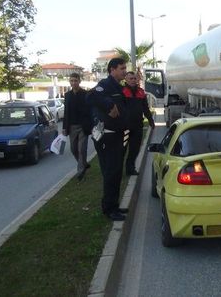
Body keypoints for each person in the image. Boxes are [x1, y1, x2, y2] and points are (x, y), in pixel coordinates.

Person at [86, 58, 129, 221]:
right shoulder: (105, 84)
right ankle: (109, 209)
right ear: (112, 70)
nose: (125, 71)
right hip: (107, 136)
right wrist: (109, 105)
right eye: (122, 68)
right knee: (111, 172)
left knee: (116, 172)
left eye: (125, 68)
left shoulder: (119, 86)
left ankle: (114, 205)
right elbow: (90, 97)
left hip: (117, 134)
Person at [122, 72, 155, 176]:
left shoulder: (141, 92)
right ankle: (118, 170)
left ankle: (130, 169)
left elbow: (145, 108)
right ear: (126, 80)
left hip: (137, 126)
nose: (133, 80)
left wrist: (151, 120)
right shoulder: (122, 91)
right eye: (130, 78)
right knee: (122, 149)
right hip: (125, 127)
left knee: (135, 149)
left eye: (134, 78)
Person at [62, 73, 92, 181]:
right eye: (71, 81)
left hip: (83, 126)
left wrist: (90, 124)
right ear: (69, 82)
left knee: (81, 149)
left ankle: (80, 171)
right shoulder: (67, 95)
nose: (73, 83)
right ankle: (83, 163)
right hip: (72, 126)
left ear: (79, 81)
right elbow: (66, 112)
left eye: (75, 80)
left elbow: (90, 111)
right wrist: (64, 127)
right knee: (73, 149)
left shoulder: (86, 94)